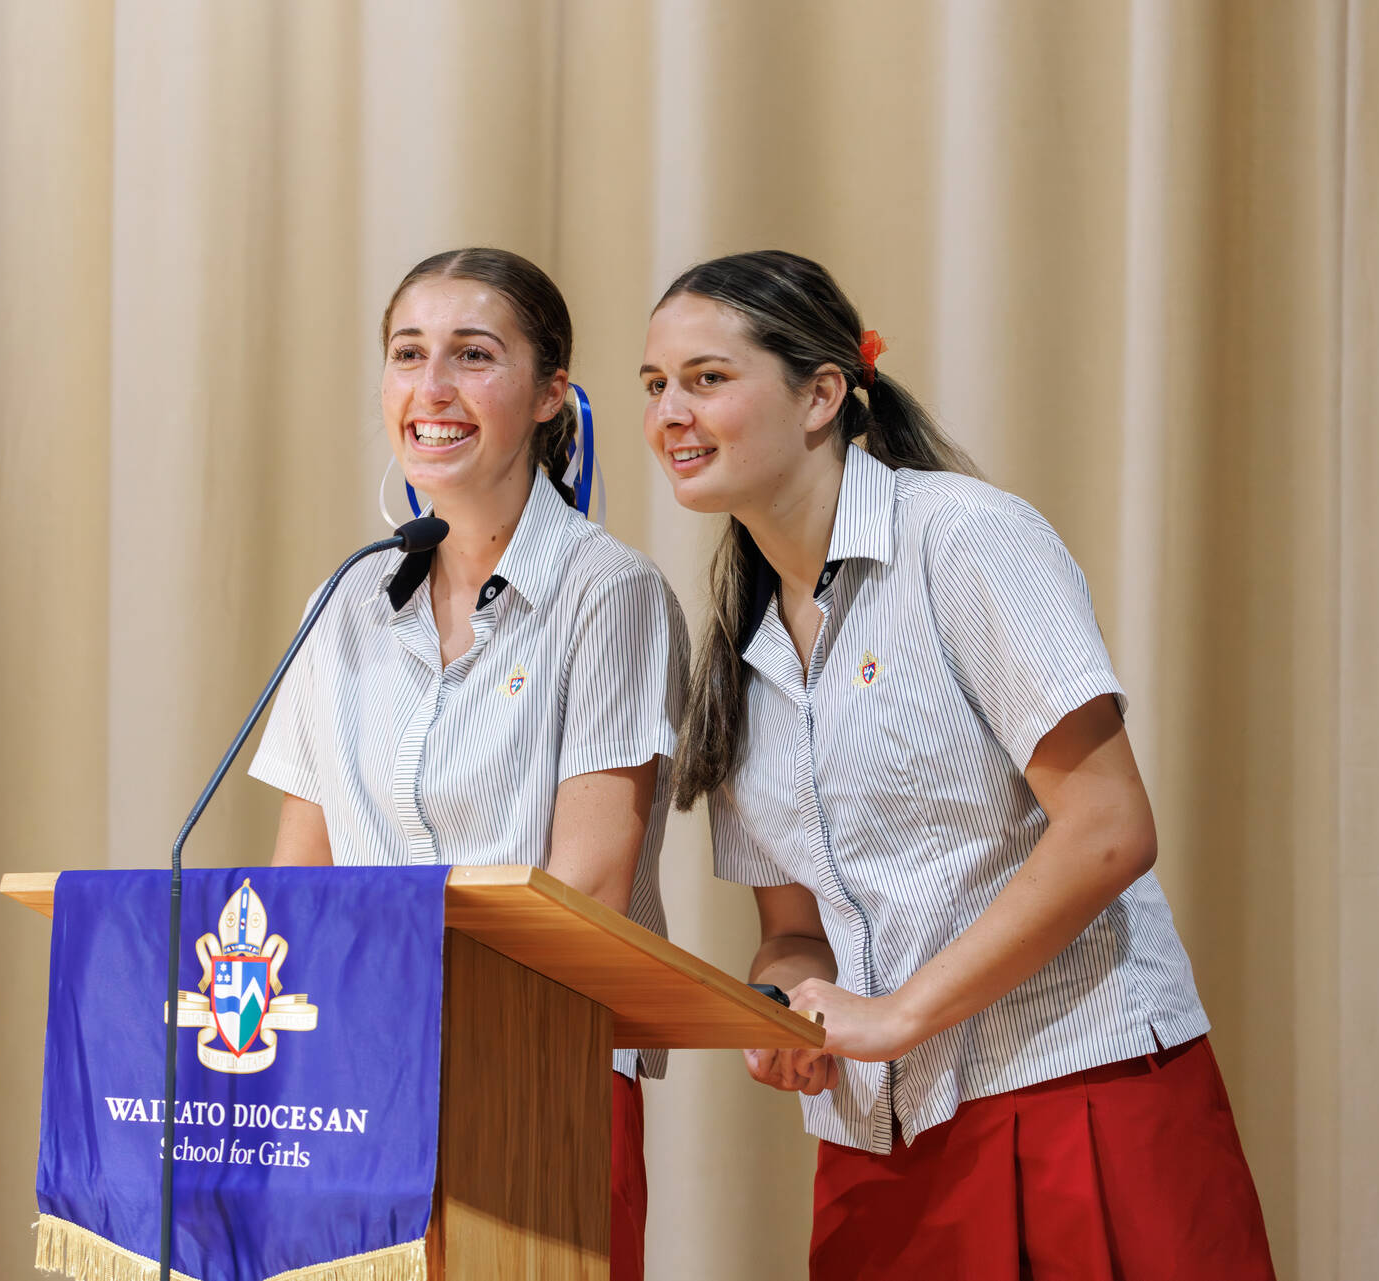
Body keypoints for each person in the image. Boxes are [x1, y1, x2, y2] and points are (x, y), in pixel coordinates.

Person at [638, 249, 1274, 1279]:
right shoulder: (740, 648)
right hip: (881, 1147)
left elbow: (1109, 829)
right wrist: (786, 1004)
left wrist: (894, 1016)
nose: (671, 411)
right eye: (656, 384)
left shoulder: (967, 538)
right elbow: (795, 931)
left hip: (1075, 1096)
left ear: (822, 395)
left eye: (708, 378)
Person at [251, 247, 685, 1281]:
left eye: (473, 357)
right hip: (351, 1082)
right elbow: (298, 879)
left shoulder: (606, 592)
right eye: (409, 355)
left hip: (538, 1075)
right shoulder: (345, 601)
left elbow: (588, 887)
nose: (431, 390)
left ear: (549, 396)